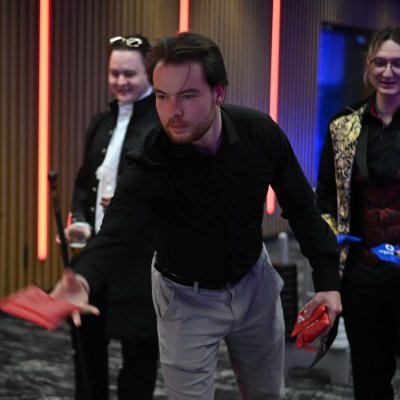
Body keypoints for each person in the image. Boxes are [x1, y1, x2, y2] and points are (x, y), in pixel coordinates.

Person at [53, 31, 342, 400]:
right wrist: (82, 278)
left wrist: (328, 281)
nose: (172, 111)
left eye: (187, 96)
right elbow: (116, 231)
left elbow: (302, 208)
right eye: (162, 96)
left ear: (218, 93)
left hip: (253, 283)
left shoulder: (259, 134)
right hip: (184, 297)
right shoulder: (150, 161)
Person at [63, 34, 160, 400]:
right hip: (96, 258)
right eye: (114, 73)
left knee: (139, 358)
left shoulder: (162, 126)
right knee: (86, 351)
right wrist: (80, 220)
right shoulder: (99, 123)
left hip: (140, 261)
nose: (121, 81)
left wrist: (131, 201)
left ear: (149, 74)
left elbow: (171, 193)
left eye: (130, 74)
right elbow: (83, 181)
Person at [316, 26, 400, 400]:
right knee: (369, 377)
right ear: (368, 65)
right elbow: (325, 197)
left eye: (397, 64)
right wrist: (329, 235)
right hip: (362, 272)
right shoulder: (343, 126)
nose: (388, 72)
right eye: (380, 62)